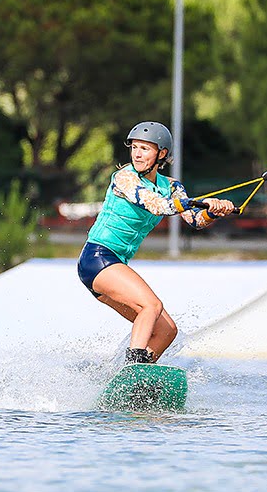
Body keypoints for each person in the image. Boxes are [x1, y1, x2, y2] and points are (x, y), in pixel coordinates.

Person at [77, 121, 237, 364]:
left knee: (166, 330)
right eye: (134, 148)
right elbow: (154, 203)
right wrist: (190, 202)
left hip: (116, 263)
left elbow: (194, 220)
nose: (137, 154)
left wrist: (214, 211)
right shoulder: (124, 178)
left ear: (161, 154)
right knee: (151, 305)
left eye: (145, 149)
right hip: (97, 258)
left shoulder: (172, 186)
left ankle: (130, 377)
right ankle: (134, 371)